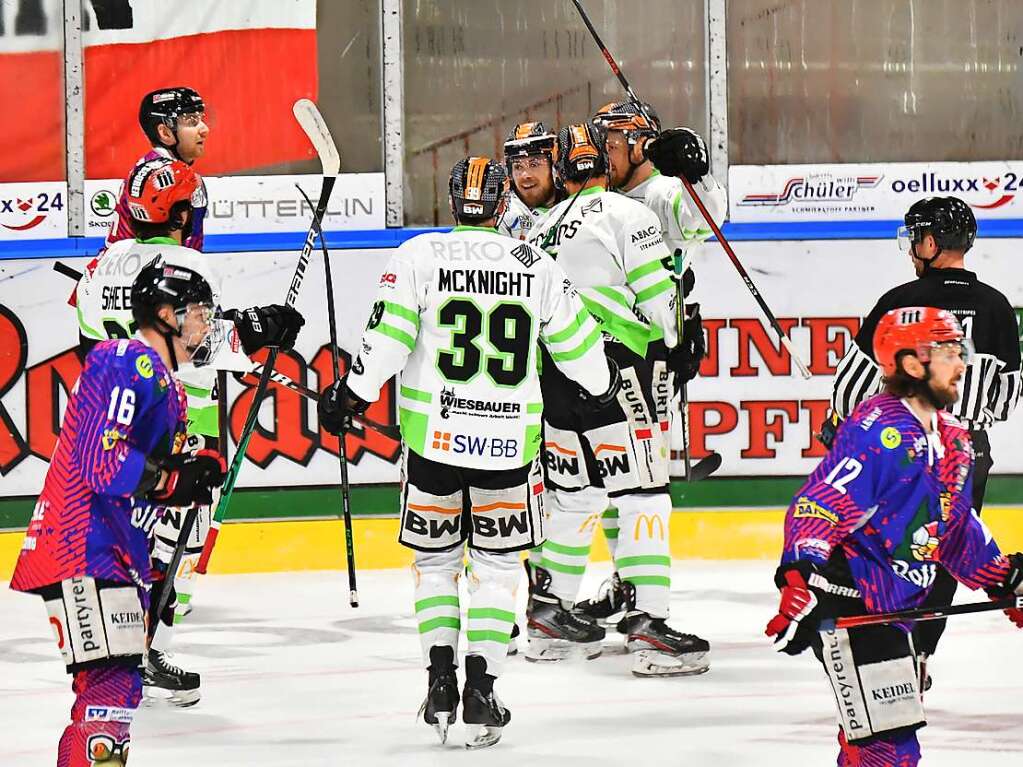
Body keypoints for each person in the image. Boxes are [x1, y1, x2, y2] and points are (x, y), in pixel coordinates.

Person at [319, 156, 617, 748]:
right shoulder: (535, 264)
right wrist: (603, 386)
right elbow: (583, 354)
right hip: (507, 448)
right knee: (500, 569)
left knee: (435, 566)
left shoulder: (419, 256)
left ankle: (438, 682)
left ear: (453, 201)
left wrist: (351, 392)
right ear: (503, 201)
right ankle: (481, 686)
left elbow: (389, 337)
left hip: (434, 443)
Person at [73, 157, 305, 706]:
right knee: (177, 547)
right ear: (179, 211)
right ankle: (143, 653)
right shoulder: (187, 265)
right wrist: (259, 332)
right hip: (179, 430)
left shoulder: (98, 269)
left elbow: (93, 350)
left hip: (114, 428)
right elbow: (200, 347)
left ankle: (115, 653)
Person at [766, 306, 1023, 767]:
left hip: (895, 611)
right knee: (890, 749)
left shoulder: (953, 439)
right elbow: (823, 503)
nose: (962, 362)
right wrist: (799, 576)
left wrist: (1004, 580)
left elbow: (956, 529)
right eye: (948, 351)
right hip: (850, 604)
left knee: (870, 742)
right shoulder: (879, 432)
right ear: (911, 363)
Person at [9, 258, 229, 766]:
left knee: (114, 689)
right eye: (196, 312)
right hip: (82, 544)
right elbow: (100, 460)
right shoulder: (127, 359)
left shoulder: (166, 384)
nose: (204, 324)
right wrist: (173, 477)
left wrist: (185, 474)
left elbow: (133, 477)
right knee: (110, 687)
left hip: (110, 548)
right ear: (166, 315)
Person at [525, 123, 709, 676]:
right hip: (621, 367)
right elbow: (656, 295)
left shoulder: (541, 228)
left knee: (575, 496)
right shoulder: (629, 214)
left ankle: (547, 617)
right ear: (603, 166)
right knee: (644, 494)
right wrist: (677, 341)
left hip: (554, 371)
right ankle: (649, 626)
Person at [823, 197, 1021, 683]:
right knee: (946, 553)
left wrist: (839, 429)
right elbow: (1008, 397)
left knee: (892, 549)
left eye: (916, 236)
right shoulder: (996, 306)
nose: (912, 246)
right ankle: (920, 654)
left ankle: (889, 646)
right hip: (966, 454)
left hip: (903, 450)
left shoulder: (899, 302)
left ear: (930, 242)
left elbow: (851, 389)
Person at [576, 102, 725, 625]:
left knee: (640, 480)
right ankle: (626, 581)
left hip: (654, 350)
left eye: (613, 141)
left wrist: (693, 172)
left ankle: (638, 593)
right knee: (619, 478)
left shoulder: (661, 190)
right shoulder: (608, 197)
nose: (604, 151)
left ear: (640, 143)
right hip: (620, 347)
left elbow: (706, 220)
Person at [104, 87, 210, 251]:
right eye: (191, 121)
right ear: (165, 133)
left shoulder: (148, 170)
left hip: (125, 269)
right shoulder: (165, 180)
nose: (204, 130)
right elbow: (181, 254)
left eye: (201, 118)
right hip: (146, 272)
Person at [499, 121, 559, 240]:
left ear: (554, 167)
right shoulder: (503, 215)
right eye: (518, 167)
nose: (525, 175)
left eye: (534, 164)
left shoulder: (575, 202)